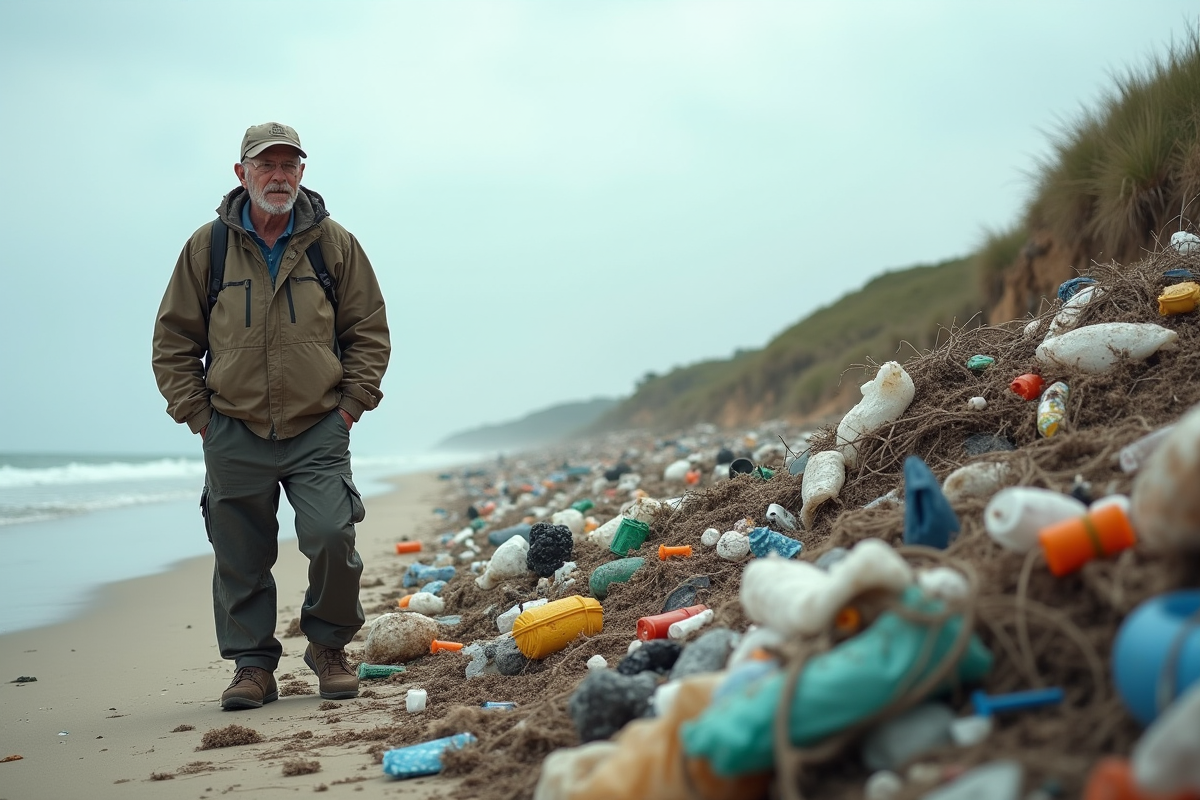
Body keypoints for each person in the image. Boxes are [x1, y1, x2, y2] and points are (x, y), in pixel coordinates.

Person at [152, 122, 391, 710]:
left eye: (289, 165)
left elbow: (368, 331)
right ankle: (253, 667)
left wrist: (349, 409)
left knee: (333, 536)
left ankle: (329, 648)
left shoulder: (334, 244)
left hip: (318, 427)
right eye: (266, 166)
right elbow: (174, 340)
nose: (278, 176)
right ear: (242, 174)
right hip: (233, 429)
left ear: (302, 173)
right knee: (240, 555)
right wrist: (200, 418)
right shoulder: (206, 247)